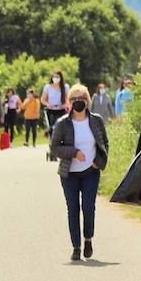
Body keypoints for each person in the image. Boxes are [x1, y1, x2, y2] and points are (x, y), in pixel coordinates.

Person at [50, 84, 109, 261]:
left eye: (82, 98)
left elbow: (105, 143)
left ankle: (88, 239)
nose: (78, 102)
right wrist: (74, 152)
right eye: (74, 99)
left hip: (91, 172)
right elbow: (54, 147)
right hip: (69, 174)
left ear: (87, 101)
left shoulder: (96, 120)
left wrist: (99, 163)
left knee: (88, 207)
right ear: (69, 102)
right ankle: (76, 246)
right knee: (73, 209)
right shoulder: (63, 123)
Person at [41, 71, 68, 158]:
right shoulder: (47, 87)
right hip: (51, 111)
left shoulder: (65, 87)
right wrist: (48, 104)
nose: (55, 79)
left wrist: (65, 104)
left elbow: (68, 99)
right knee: (52, 129)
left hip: (61, 110)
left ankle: (62, 147)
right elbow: (43, 99)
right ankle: (52, 148)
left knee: (61, 129)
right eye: (54, 77)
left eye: (57, 77)